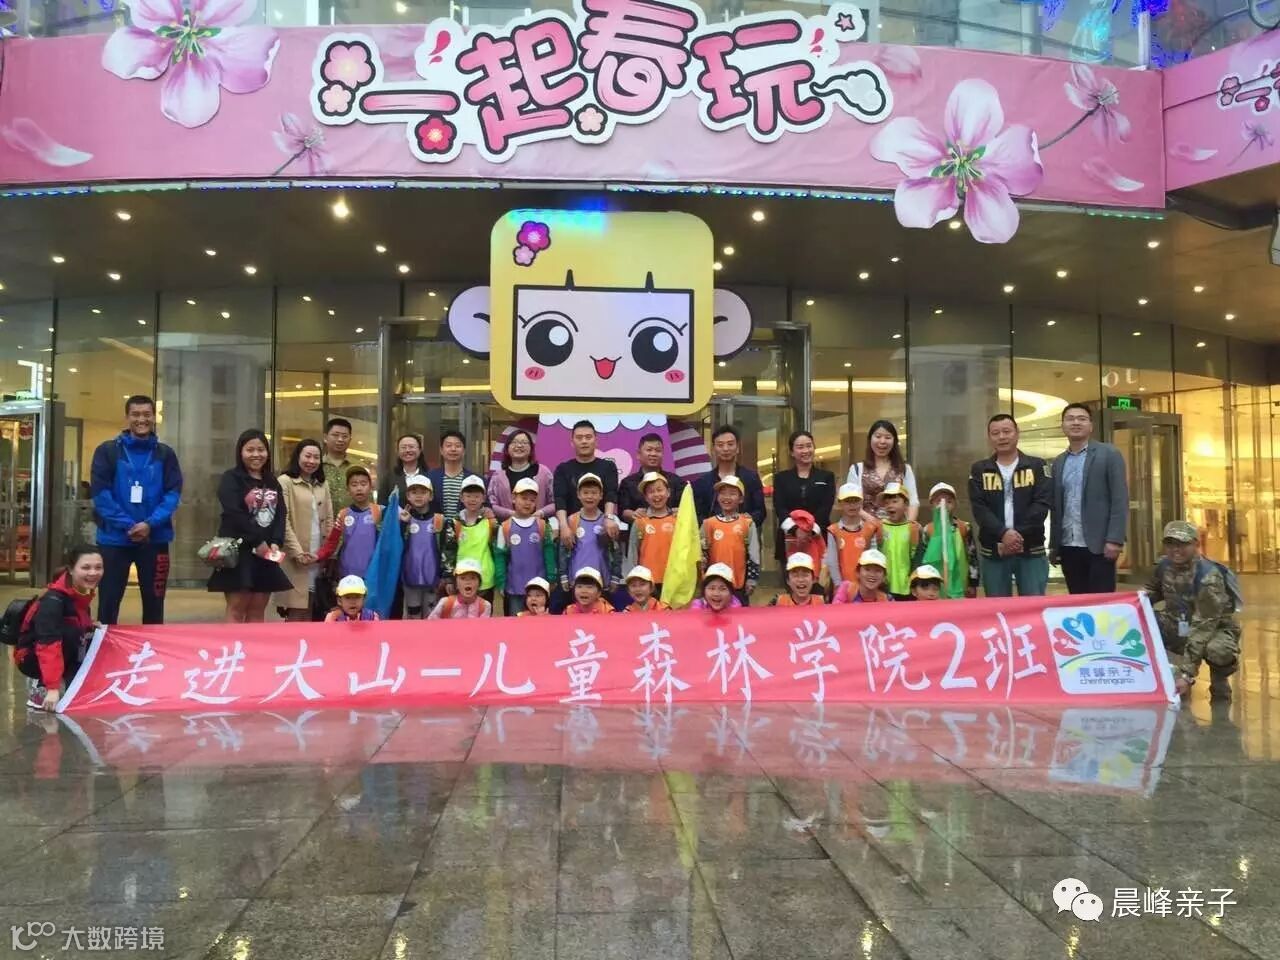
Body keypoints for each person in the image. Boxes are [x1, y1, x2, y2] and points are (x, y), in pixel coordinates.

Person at [90, 394, 183, 625]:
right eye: (136, 414)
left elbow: (173, 494)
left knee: (155, 605)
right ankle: (105, 645)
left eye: (147, 414)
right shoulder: (107, 452)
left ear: (154, 417)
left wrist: (150, 524)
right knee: (108, 603)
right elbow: (101, 495)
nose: (141, 419)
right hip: (113, 540)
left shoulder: (165, 454)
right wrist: (128, 525)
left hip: (155, 539)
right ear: (127, 418)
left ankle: (150, 646)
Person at [1146, 520, 1242, 701]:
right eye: (1170, 544)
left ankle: (1219, 680)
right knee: (1145, 626)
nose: (1176, 550)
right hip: (1178, 622)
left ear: (1196, 544)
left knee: (1218, 649)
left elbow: (1203, 627)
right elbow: (1150, 591)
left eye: (1183, 544)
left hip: (1213, 629)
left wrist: (1187, 674)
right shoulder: (1163, 566)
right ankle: (1166, 674)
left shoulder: (1208, 577)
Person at [208, 429, 292, 623]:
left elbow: (281, 514)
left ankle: (254, 644)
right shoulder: (231, 478)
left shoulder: (272, 481)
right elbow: (233, 513)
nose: (256, 454)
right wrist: (257, 541)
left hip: (265, 553)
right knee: (237, 607)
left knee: (258, 609)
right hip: (239, 551)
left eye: (261, 449)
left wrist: (276, 542)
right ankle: (234, 644)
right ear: (241, 452)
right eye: (250, 450)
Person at [969, 414, 1052, 598]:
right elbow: (979, 508)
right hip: (994, 551)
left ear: (1017, 433)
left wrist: (1015, 536)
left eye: (1006, 431)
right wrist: (1003, 534)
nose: (1002, 437)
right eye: (995, 433)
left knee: (1032, 606)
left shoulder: (1037, 466)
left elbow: (1041, 504)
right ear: (989, 437)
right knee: (998, 608)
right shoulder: (980, 469)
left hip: (1031, 550)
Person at [12, 544, 102, 712]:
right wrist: (52, 687)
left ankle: (71, 683)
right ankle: (41, 687)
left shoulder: (79, 592)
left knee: (92, 635)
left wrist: (89, 626)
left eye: (98, 567)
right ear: (71, 570)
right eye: (86, 567)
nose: (93, 573)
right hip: (31, 656)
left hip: (57, 649)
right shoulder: (53, 601)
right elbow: (47, 643)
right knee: (71, 634)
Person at [1051, 403, 1129, 594]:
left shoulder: (1109, 454)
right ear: (1063, 425)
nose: (1076, 423)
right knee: (1077, 601)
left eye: (1082, 418)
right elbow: (1056, 506)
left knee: (1101, 603)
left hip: (1100, 545)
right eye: (1070, 419)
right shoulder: (1059, 461)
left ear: (1091, 426)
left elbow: (1119, 499)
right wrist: (1054, 545)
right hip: (1069, 544)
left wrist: (1115, 539)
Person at [275, 439, 334, 622]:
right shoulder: (285, 482)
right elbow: (282, 520)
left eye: (316, 457)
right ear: (297, 457)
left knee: (312, 606)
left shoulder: (322, 484)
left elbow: (329, 519)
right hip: (296, 555)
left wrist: (325, 553)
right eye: (307, 456)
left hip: (317, 555)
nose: (312, 461)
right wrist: (298, 553)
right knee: (295, 608)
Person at [771, 429, 836, 566]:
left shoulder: (826, 477)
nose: (806, 450)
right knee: (792, 576)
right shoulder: (781, 478)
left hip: (819, 535)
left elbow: (826, 507)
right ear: (792, 452)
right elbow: (780, 507)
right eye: (800, 447)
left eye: (809, 446)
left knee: (820, 577)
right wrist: (796, 530)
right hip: (789, 537)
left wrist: (809, 530)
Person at [554, 420, 620, 549]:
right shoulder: (563, 469)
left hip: (601, 527)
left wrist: (609, 518)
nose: (584, 441)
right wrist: (563, 525)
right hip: (572, 528)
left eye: (588, 437)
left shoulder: (608, 467)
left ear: (596, 440)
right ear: (572, 442)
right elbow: (560, 499)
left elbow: (611, 494)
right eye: (579, 438)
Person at [557, 473, 621, 608]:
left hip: (602, 580)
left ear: (601, 495)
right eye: (585, 493)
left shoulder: (608, 522)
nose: (590, 496)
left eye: (594, 493)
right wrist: (563, 575)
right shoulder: (572, 520)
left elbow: (616, 551)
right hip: (577, 581)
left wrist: (615, 577)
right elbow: (563, 550)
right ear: (578, 495)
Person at [495, 477, 558, 615]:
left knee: (539, 623)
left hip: (539, 588)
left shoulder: (542, 526)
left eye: (532, 500)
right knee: (516, 623)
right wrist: (501, 582)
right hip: (515, 587)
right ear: (513, 498)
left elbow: (549, 553)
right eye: (524, 498)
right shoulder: (505, 527)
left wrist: (552, 577)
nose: (528, 503)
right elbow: (500, 557)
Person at [315, 467, 383, 581]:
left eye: (363, 484)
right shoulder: (343, 514)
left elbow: (400, 517)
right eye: (354, 484)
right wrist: (317, 556)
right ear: (348, 490)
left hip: (373, 573)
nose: (359, 488)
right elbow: (332, 542)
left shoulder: (380, 511)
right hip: (346, 573)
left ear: (371, 487)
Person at [700, 476, 760, 604]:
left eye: (732, 494)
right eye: (722, 493)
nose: (726, 497)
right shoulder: (708, 524)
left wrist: (752, 579)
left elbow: (753, 554)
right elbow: (702, 552)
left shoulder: (747, 523)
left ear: (741, 499)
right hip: (714, 585)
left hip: (738, 583)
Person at [692, 425, 766, 529]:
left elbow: (760, 512)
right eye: (720, 445)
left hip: (743, 534)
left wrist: (748, 520)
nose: (725, 449)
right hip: (713, 535)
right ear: (713, 449)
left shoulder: (751, 477)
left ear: (738, 448)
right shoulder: (702, 482)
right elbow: (697, 515)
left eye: (730, 444)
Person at [847, 420, 919, 522]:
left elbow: (913, 502)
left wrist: (909, 525)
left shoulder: (905, 469)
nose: (882, 441)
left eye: (888, 437)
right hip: (866, 527)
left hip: (898, 527)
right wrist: (875, 523)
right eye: (878, 436)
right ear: (870, 439)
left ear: (894, 441)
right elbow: (851, 502)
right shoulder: (857, 469)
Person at [441, 475, 497, 601]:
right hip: (461, 579)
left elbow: (498, 550)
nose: (472, 499)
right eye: (468, 496)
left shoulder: (490, 522)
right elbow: (449, 551)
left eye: (476, 496)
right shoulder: (455, 523)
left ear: (483, 498)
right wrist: (449, 578)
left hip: (485, 579)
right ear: (461, 497)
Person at [919, 482, 979, 600]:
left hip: (960, 580)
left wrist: (972, 582)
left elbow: (972, 556)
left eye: (949, 501)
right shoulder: (928, 530)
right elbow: (924, 558)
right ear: (932, 506)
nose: (944, 505)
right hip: (936, 584)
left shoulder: (964, 527)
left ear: (955, 504)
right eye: (938, 502)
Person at [624, 472, 678, 598]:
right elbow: (633, 552)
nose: (656, 495)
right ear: (645, 497)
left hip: (674, 579)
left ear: (668, 492)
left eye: (659, 490)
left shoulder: (678, 519)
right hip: (647, 582)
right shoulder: (640, 522)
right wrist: (635, 579)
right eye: (651, 492)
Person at [399, 475, 443, 619]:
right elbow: (396, 545)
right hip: (410, 577)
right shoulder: (404, 520)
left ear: (431, 496)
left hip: (432, 578)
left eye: (423, 492)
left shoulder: (439, 520)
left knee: (431, 616)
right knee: (413, 615)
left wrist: (446, 575)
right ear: (408, 496)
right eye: (414, 492)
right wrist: (402, 524)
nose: (418, 496)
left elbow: (446, 549)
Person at [825, 484, 880, 599]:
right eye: (847, 501)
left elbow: (874, 558)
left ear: (861, 502)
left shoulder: (870, 529)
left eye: (855, 501)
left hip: (865, 589)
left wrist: (870, 584)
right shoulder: (833, 530)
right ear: (840, 503)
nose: (852, 505)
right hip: (842, 588)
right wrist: (838, 585)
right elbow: (832, 561)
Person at [487, 429, 555, 521]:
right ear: (507, 448)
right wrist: (511, 514)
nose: (519, 446)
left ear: (531, 448)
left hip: (539, 526)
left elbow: (555, 502)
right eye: (514, 442)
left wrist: (541, 513)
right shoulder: (498, 476)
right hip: (508, 526)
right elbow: (491, 504)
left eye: (524, 442)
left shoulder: (543, 472)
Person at [618, 433, 686, 523]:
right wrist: (633, 514)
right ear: (638, 454)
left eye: (658, 450)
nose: (653, 454)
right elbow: (623, 511)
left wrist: (681, 512)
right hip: (640, 529)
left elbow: (687, 508)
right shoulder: (628, 483)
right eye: (649, 450)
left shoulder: (676, 481)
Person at [877, 482, 923, 601]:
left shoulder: (913, 528)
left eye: (895, 501)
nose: (890, 505)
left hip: (907, 587)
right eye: (887, 503)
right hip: (884, 587)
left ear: (906, 504)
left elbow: (917, 558)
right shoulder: (880, 527)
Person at [428, 430, 482, 523]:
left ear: (464, 451)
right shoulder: (430, 477)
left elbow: (485, 506)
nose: (453, 449)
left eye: (458, 446)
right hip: (435, 528)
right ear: (441, 450)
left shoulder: (476, 479)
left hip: (467, 528)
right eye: (448, 445)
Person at [428, 558, 492, 618]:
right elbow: (431, 623)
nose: (468, 582)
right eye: (463, 578)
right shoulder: (445, 603)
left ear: (479, 583)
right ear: (456, 584)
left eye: (473, 578)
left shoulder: (485, 606)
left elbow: (485, 626)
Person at [379, 433, 430, 506]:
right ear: (398, 451)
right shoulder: (389, 477)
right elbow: (381, 504)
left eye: (411, 447)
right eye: (403, 447)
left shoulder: (430, 475)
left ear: (420, 450)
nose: (407, 450)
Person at [780, 509, 827, 587]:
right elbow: (823, 553)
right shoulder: (816, 534)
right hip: (813, 574)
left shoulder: (788, 532)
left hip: (795, 574)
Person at [322, 417, 355, 511]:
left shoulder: (357, 467)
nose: (340, 439)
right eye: (335, 435)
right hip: (322, 519)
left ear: (350, 439)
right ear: (325, 438)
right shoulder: (315, 466)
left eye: (345, 436)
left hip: (352, 519)